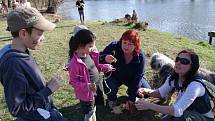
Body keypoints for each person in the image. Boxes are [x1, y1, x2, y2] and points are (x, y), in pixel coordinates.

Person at [0, 7, 66, 121]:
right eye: (39, 33)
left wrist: (43, 85)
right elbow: (18, 108)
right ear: (23, 33)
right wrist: (48, 90)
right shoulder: (13, 64)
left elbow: (27, 85)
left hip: (44, 111)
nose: (43, 38)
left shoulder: (23, 53)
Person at [135, 49, 214, 121]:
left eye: (184, 61)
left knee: (180, 117)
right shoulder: (174, 78)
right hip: (184, 110)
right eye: (177, 59)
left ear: (192, 67)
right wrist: (146, 91)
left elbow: (177, 111)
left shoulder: (195, 86)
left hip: (202, 117)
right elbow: (160, 93)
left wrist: (150, 105)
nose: (178, 62)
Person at [68, 29, 114, 121]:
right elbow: (73, 82)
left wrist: (105, 67)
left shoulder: (89, 54)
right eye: (90, 46)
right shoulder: (75, 63)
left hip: (96, 88)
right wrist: (87, 86)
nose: (93, 48)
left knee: (94, 109)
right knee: (89, 114)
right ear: (81, 45)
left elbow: (95, 67)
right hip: (87, 94)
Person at [99, 29, 151, 110]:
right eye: (124, 43)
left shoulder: (140, 57)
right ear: (121, 41)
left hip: (131, 79)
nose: (126, 46)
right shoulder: (114, 46)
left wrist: (131, 98)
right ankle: (112, 99)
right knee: (110, 87)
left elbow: (138, 77)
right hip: (114, 76)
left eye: (130, 44)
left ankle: (130, 92)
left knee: (146, 92)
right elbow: (99, 57)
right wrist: (105, 57)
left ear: (136, 45)